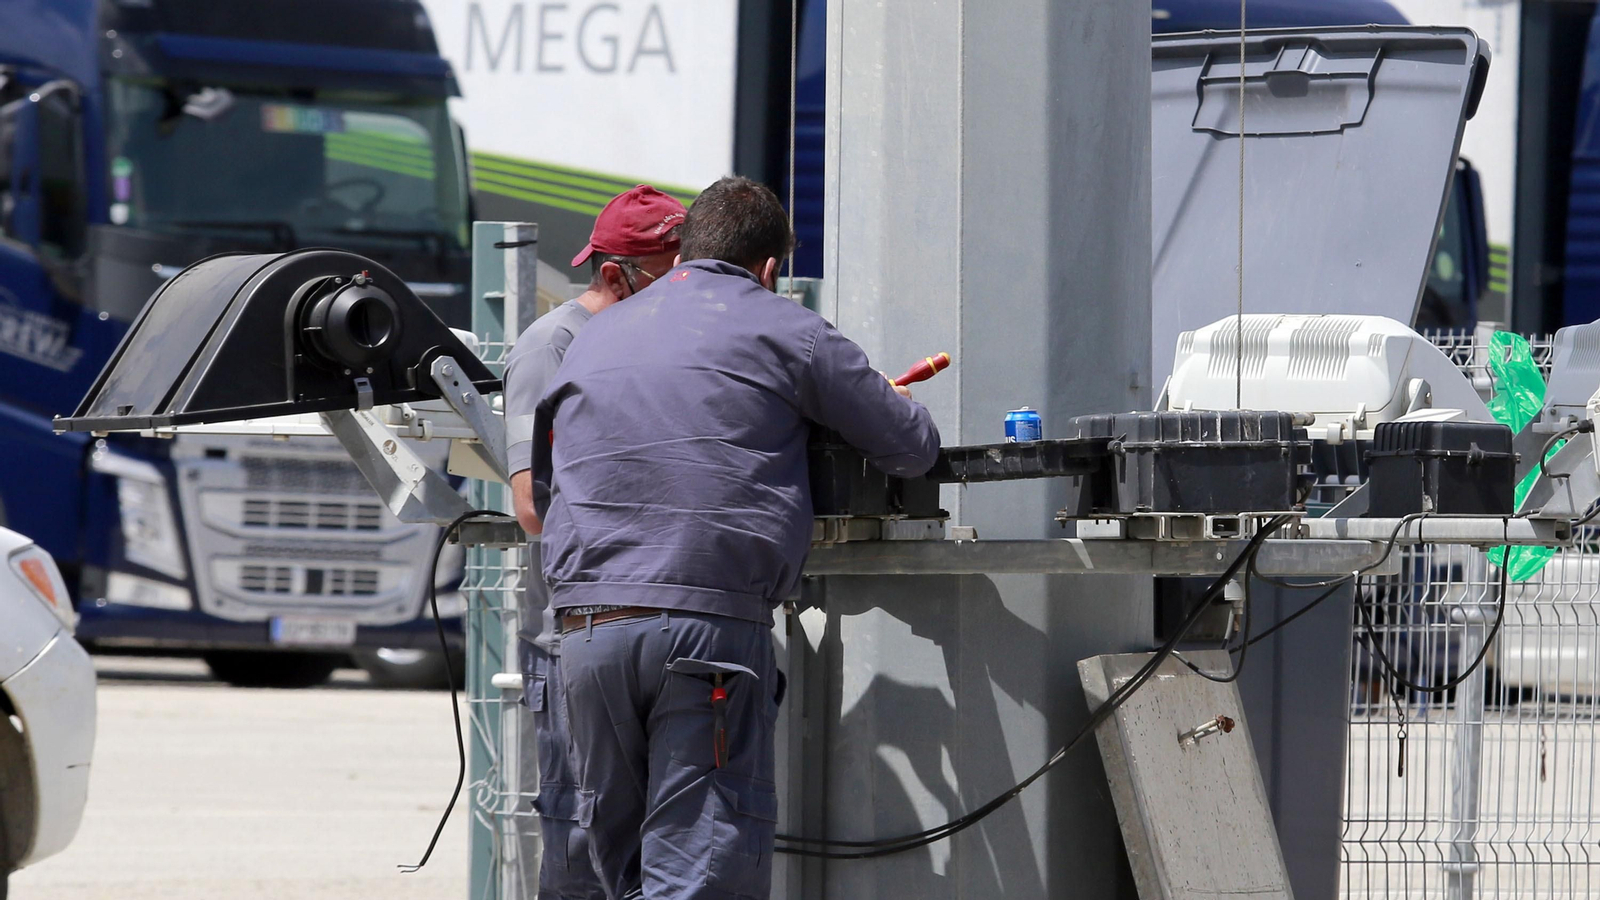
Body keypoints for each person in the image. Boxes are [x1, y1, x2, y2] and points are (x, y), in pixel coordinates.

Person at [532, 176, 941, 899]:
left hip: (586, 631)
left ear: (684, 249)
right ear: (770, 268)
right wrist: (883, 399)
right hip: (703, 631)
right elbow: (910, 448)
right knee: (700, 867)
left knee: (615, 875)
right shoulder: (786, 327)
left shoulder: (593, 335)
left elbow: (543, 490)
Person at [503, 184, 686, 900]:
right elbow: (531, 506)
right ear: (617, 276)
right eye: (676, 270)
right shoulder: (554, 346)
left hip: (649, 628)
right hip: (579, 637)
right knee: (584, 847)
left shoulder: (666, 345)